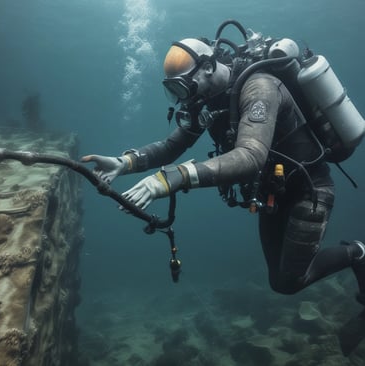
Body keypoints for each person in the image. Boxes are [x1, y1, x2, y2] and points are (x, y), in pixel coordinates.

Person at [82, 20, 365, 353]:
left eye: (184, 87)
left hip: (309, 190)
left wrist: (172, 178)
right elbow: (173, 145)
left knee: (289, 282)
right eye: (174, 90)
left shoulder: (259, 86)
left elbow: (250, 156)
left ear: (209, 66)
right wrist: (126, 162)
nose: (183, 98)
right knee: (281, 283)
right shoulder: (207, 99)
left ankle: (358, 253)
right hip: (272, 193)